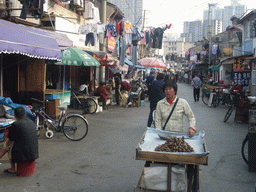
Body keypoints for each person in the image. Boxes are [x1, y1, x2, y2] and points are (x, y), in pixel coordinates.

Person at [7, 107, 39, 175]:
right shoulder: (31, 122)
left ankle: (12, 169)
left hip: (22, 154)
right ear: (25, 114)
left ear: (15, 115)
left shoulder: (15, 124)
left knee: (8, 147)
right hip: (34, 152)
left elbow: (11, 138)